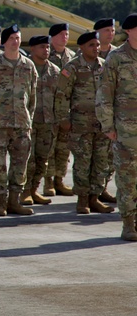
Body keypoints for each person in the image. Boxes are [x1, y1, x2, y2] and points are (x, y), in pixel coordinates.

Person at [0, 25, 38, 217]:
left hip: (21, 124)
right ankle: (1, 202)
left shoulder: (28, 66)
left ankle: (14, 201)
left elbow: (32, 98)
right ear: (4, 41)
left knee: (20, 165)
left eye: (18, 38)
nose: (15, 41)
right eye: (11, 38)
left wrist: (29, 122)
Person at [56, 32, 114, 215]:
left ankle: (94, 198)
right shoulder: (71, 68)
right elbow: (62, 95)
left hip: (101, 124)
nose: (96, 48)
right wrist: (63, 119)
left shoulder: (104, 66)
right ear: (81, 47)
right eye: (91, 45)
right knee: (82, 162)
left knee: (101, 162)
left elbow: (111, 93)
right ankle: (82, 200)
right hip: (80, 124)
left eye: (97, 45)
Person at [96, 13, 137, 241]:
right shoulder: (116, 58)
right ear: (129, 31)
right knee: (126, 178)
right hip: (124, 131)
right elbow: (104, 94)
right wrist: (107, 124)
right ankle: (128, 223)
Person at [22, 35, 59, 206]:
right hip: (28, 121)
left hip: (48, 122)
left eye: (47, 47)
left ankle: (34, 190)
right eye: (42, 47)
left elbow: (61, 97)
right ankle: (24, 192)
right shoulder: (25, 68)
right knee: (27, 159)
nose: (46, 50)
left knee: (42, 159)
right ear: (33, 49)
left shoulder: (55, 71)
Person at [45, 23, 75, 197]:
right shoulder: (46, 55)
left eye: (67, 34)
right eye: (62, 34)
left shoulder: (72, 56)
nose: (65, 37)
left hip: (66, 109)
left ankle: (59, 180)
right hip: (48, 108)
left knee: (64, 148)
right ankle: (48, 181)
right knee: (48, 147)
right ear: (53, 36)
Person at [93, 17, 118, 204]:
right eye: (107, 30)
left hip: (112, 114)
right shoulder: (84, 53)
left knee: (108, 155)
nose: (110, 33)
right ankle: (88, 193)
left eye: (112, 30)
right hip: (88, 114)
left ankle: (102, 188)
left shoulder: (117, 55)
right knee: (89, 155)